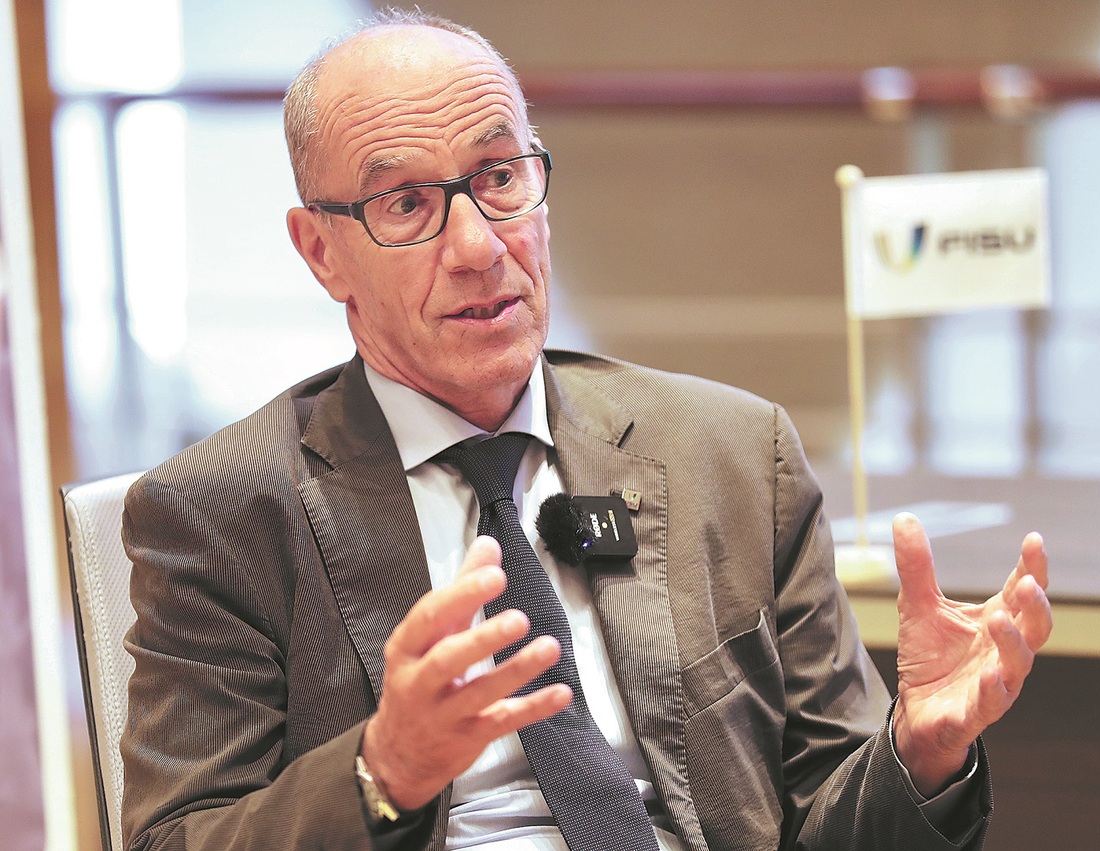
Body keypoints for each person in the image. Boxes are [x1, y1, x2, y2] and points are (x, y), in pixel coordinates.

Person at [120, 9, 1052, 851]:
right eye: (405, 204)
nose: (478, 245)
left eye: (499, 178)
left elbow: (826, 820)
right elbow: (173, 838)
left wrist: (919, 750)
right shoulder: (224, 513)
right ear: (321, 251)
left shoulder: (731, 454)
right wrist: (382, 772)